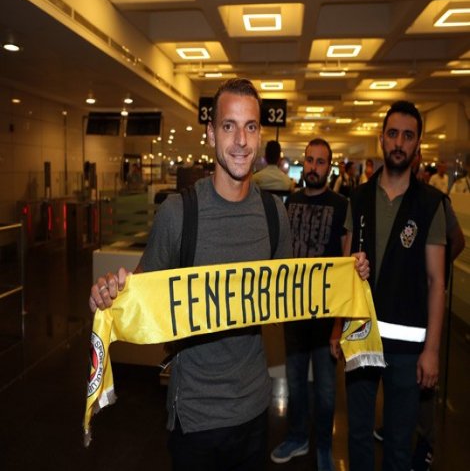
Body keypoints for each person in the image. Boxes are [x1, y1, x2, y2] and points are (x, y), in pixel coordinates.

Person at [89, 78, 294, 470]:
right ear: (211, 133)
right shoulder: (179, 213)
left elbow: (285, 300)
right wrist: (109, 295)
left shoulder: (275, 215)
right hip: (195, 415)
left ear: (259, 134)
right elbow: (139, 296)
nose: (241, 141)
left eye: (250, 127)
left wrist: (345, 277)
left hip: (254, 407)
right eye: (229, 126)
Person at [340, 100, 447, 471]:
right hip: (361, 336)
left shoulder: (430, 204)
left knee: (399, 443)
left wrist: (431, 351)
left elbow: (436, 281)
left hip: (408, 348)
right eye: (393, 134)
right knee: (358, 435)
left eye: (408, 136)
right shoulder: (359, 197)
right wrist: (339, 324)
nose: (399, 143)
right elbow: (344, 271)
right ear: (381, 139)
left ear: (417, 144)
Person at [372, 148, 465, 471]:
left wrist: (432, 273)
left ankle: (425, 442)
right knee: (400, 386)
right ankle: (398, 428)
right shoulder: (385, 197)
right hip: (394, 313)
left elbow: (456, 240)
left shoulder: (434, 201)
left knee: (423, 384)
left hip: (423, 311)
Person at [270, 138, 352, 471]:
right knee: (295, 385)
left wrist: (339, 324)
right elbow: (281, 257)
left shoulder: (341, 205)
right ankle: (297, 437)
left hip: (326, 318)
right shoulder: (290, 202)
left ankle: (324, 447)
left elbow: (346, 268)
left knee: (327, 392)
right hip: (295, 314)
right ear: (302, 163)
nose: (313, 167)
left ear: (329, 167)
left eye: (320, 162)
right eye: (309, 160)